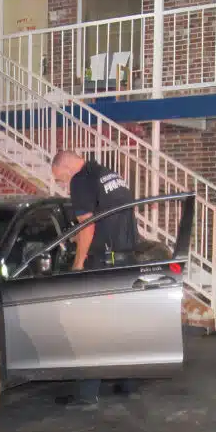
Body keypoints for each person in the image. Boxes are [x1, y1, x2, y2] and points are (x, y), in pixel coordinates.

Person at [50, 150, 139, 409]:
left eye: (61, 178)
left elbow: (87, 227)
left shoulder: (81, 180)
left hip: (104, 263)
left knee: (92, 329)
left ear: (66, 166)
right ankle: (127, 384)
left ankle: (87, 396)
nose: (64, 184)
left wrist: (78, 264)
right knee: (122, 327)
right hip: (126, 261)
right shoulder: (109, 175)